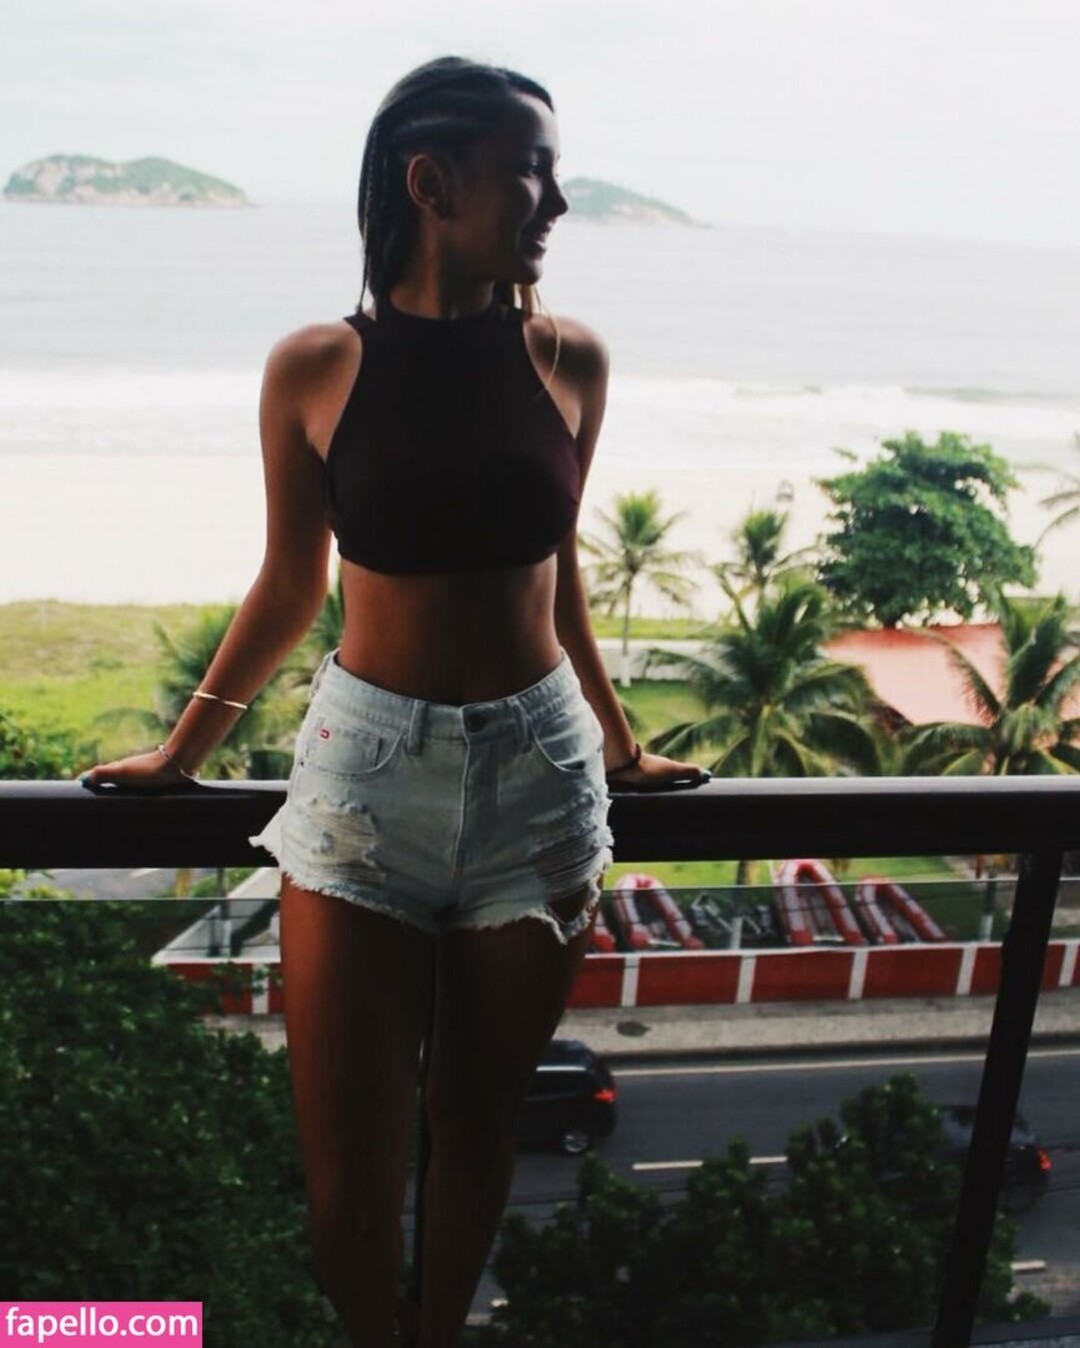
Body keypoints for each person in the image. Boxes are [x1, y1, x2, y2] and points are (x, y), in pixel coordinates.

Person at [82, 55, 708, 1348]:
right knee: (345, 1198)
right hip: (366, 781)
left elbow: (558, 576)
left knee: (476, 1136)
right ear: (432, 184)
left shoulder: (570, 359)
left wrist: (619, 742)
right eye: (530, 170)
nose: (556, 202)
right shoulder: (317, 366)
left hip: (541, 780)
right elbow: (287, 582)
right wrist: (182, 754)